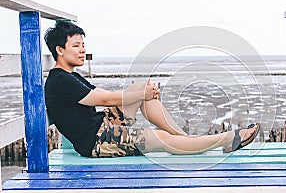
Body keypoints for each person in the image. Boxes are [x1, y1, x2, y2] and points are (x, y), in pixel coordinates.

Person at [44, 21, 260, 158]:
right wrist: (140, 95)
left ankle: (184, 139)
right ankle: (227, 139)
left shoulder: (70, 76)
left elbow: (105, 95)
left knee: (141, 88)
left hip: (104, 126)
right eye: (76, 46)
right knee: (158, 138)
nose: (82, 51)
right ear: (60, 50)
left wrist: (142, 93)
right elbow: (105, 99)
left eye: (83, 46)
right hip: (98, 142)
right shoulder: (59, 80)